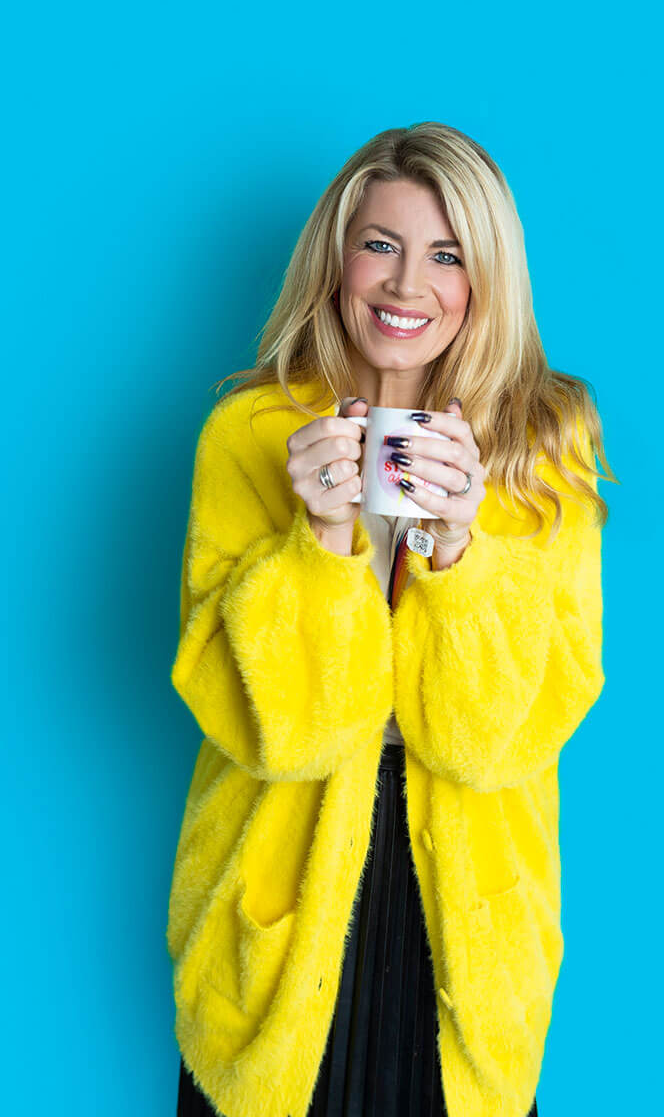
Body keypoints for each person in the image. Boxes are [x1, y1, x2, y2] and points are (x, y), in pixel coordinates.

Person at [168, 122, 617, 1117]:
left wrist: (461, 553)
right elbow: (285, 732)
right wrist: (320, 542)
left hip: (462, 930)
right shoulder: (249, 436)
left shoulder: (546, 449)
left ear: (485, 276)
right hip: (278, 913)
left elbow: (503, 737)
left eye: (447, 254)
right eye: (382, 244)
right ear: (337, 258)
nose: (407, 285)